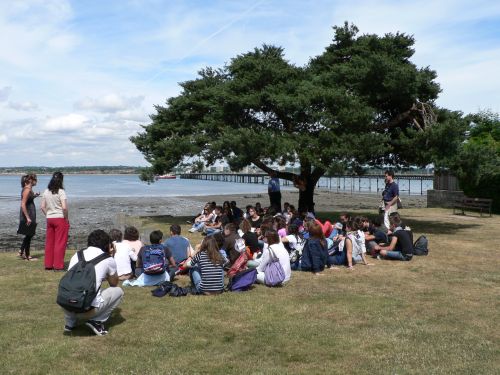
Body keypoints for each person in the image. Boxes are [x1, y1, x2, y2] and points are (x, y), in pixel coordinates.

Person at [63, 230, 124, 336]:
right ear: (107, 245)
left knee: (76, 289)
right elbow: (114, 283)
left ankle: (70, 323)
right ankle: (97, 321)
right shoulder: (107, 259)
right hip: (86, 311)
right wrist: (112, 256)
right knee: (118, 291)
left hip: (65, 304)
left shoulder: (77, 254)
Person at [41, 171, 69, 271]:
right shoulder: (61, 191)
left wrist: (48, 214)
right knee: (60, 242)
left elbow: (42, 207)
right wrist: (66, 218)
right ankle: (58, 266)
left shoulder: (46, 191)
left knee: (50, 242)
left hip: (50, 218)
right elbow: (64, 208)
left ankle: (48, 265)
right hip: (60, 218)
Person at [17, 173, 39, 260]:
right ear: (30, 180)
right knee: (29, 234)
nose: (36, 181)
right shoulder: (27, 189)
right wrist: (27, 217)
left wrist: (34, 196)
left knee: (29, 234)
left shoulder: (29, 189)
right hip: (28, 214)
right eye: (35, 180)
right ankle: (27, 256)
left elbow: (28, 200)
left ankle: (21, 251)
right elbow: (23, 204)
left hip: (30, 214)